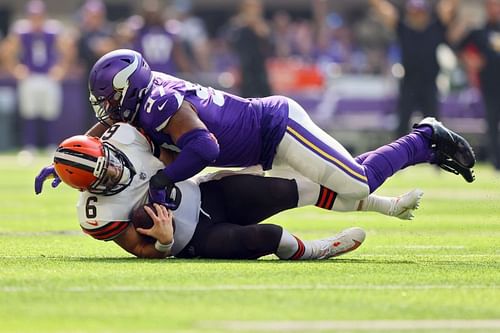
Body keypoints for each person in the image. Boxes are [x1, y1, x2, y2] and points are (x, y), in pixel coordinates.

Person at [35, 49, 475, 209]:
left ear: (128, 90)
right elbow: (107, 125)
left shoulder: (160, 102)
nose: (107, 110)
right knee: (338, 198)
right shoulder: (140, 100)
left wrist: (163, 181)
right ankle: (428, 149)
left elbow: (204, 149)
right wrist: (70, 158)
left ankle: (424, 138)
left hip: (275, 127)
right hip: (261, 147)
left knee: (356, 183)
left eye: (110, 100)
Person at [45, 123, 430, 259]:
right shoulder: (98, 212)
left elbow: (123, 123)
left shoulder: (124, 139)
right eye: (103, 176)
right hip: (196, 239)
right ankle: (317, 250)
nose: (113, 171)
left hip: (209, 193)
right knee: (268, 237)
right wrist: (163, 242)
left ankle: (383, 204)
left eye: (107, 160)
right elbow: (139, 248)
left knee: (298, 189)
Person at [369, 0, 459, 137]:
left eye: (420, 12)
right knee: (402, 125)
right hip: (409, 84)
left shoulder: (436, 28)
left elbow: (448, 7)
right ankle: (399, 155)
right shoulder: (403, 29)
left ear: (426, 13)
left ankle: (436, 156)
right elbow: (386, 11)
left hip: (429, 84)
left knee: (434, 126)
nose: (417, 15)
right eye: (414, 12)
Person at [2, 0, 73, 152]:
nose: (36, 19)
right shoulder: (21, 31)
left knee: (50, 111)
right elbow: (8, 50)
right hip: (30, 76)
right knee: (29, 112)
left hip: (48, 76)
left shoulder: (52, 30)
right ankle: (29, 146)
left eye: (39, 15)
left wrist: (61, 69)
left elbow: (67, 49)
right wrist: (15, 69)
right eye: (33, 16)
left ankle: (51, 144)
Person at [455, 0, 500, 170]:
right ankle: (497, 163)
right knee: (492, 125)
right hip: (490, 87)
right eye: (492, 5)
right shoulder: (480, 32)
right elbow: (458, 46)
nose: (495, 9)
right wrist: (469, 60)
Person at [227, 0, 273, 97]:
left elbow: (270, 45)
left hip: (259, 68)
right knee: (246, 98)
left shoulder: (262, 26)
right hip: (245, 67)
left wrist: (259, 30)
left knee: (266, 96)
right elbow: (231, 43)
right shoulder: (237, 24)